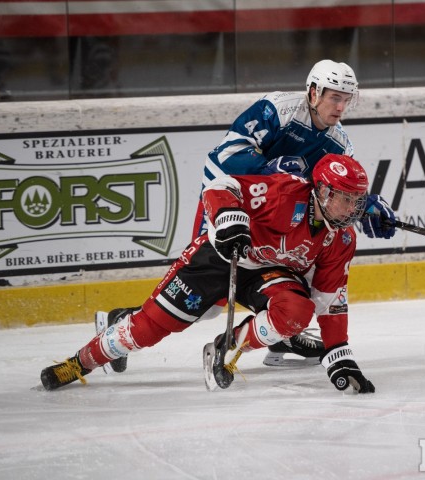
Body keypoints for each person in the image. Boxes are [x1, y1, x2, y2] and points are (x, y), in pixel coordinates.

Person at [97, 60, 396, 371]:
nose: (341, 107)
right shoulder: (277, 110)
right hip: (236, 207)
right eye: (335, 97)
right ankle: (120, 321)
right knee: (211, 301)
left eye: (347, 100)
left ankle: (280, 335)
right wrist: (266, 171)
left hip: (283, 220)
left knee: (300, 273)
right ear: (313, 92)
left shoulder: (339, 143)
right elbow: (222, 158)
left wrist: (367, 209)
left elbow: (336, 193)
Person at [40, 154, 375, 394]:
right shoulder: (284, 193)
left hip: (268, 273)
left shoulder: (342, 238)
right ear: (323, 191)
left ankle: (226, 347)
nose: (352, 210)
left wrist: (338, 355)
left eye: (356, 201)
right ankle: (80, 362)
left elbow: (330, 301)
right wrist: (229, 216)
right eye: (346, 199)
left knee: (297, 311)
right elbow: (223, 186)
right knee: (148, 329)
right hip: (218, 258)